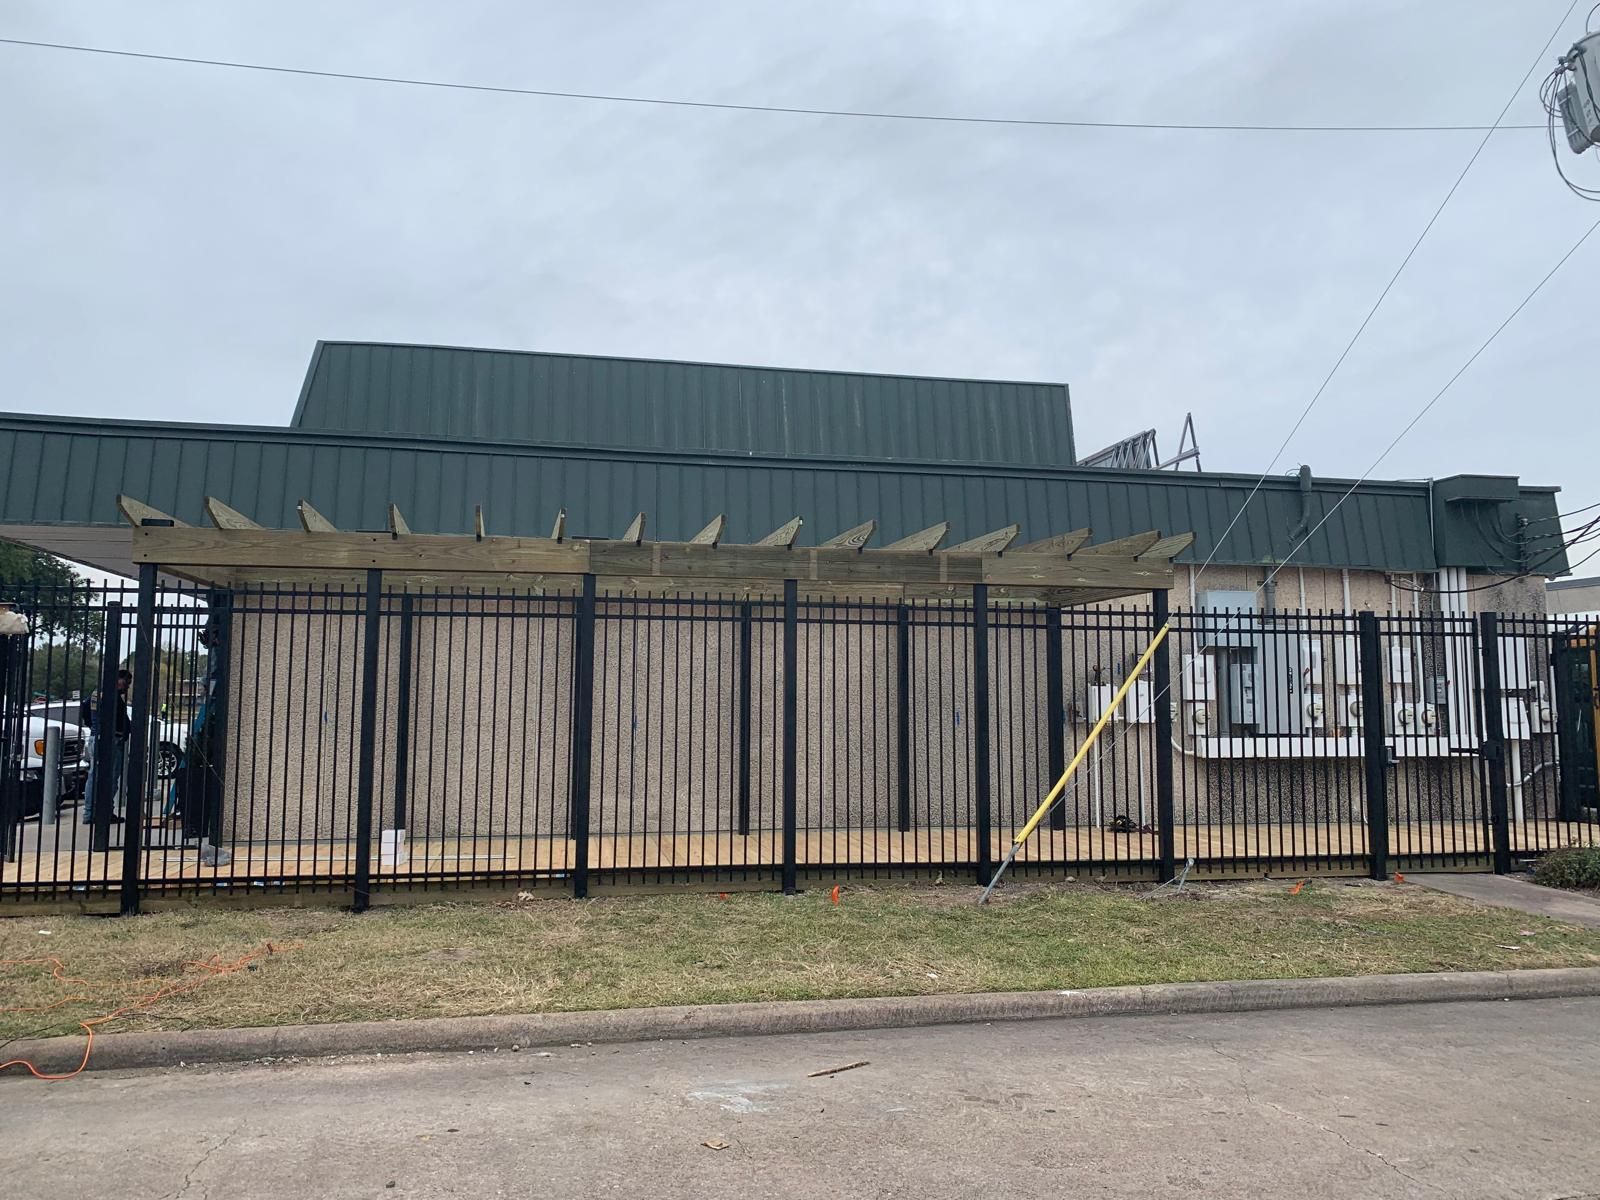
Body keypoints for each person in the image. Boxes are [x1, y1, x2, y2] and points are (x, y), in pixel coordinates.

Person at [81, 669, 131, 825]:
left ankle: (93, 812)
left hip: (99, 737)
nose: (127, 687)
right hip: (109, 739)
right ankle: (101, 812)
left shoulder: (97, 694)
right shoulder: (108, 695)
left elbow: (85, 710)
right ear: (118, 680)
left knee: (95, 775)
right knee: (107, 777)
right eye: (126, 682)